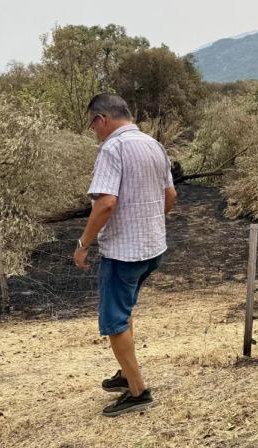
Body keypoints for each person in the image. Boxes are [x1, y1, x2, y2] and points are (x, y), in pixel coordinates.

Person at [73, 93, 177, 417]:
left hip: (123, 253)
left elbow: (106, 203)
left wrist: (83, 244)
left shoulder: (112, 148)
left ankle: (137, 391)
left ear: (102, 120)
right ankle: (126, 373)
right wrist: (150, 223)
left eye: (93, 125)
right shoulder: (153, 145)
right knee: (126, 309)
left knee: (114, 321)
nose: (94, 132)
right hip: (152, 249)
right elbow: (170, 195)